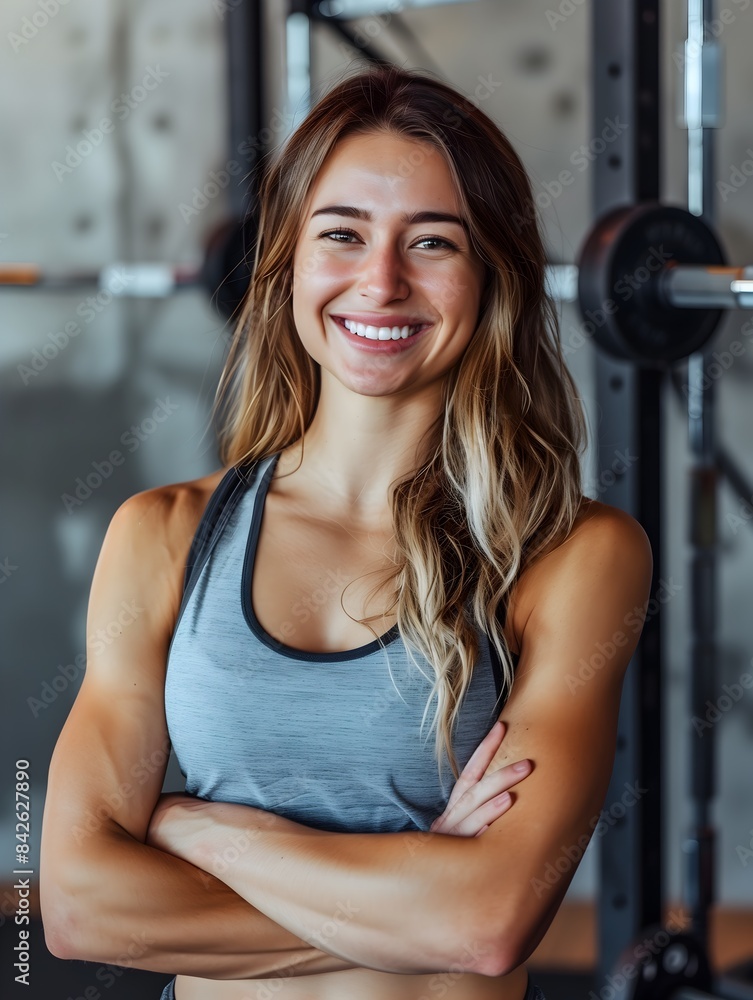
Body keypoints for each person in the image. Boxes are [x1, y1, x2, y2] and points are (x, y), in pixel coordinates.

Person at [39, 65, 653, 1000]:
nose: (380, 282)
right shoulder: (161, 537)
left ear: (490, 276)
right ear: (288, 257)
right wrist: (412, 900)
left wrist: (203, 830)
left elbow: (485, 924)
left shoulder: (568, 556)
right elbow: (82, 909)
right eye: (342, 234)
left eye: (433, 242)